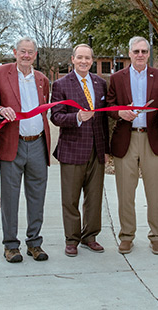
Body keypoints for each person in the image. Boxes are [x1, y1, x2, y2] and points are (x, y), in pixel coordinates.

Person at [0, 37, 51, 263]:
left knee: (37, 197)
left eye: (30, 52)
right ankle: (10, 245)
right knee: (10, 197)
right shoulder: (1, 73)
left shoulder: (42, 79)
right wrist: (1, 110)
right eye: (22, 51)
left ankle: (34, 243)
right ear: (15, 52)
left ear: (35, 55)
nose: (26, 55)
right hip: (11, 144)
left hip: (37, 144)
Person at [107, 36, 158, 255]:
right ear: (130, 53)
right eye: (136, 51)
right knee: (125, 193)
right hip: (126, 139)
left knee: (155, 193)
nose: (141, 55)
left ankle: (156, 237)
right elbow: (109, 105)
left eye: (144, 51)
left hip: (153, 139)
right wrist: (119, 113)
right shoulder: (117, 78)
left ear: (148, 54)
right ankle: (126, 236)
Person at [51, 43, 109, 257]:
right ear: (73, 59)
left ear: (92, 61)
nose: (84, 61)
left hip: (97, 149)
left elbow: (103, 120)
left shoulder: (100, 83)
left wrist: (105, 149)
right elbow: (55, 116)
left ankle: (90, 236)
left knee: (94, 198)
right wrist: (76, 117)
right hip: (72, 149)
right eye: (80, 57)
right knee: (71, 198)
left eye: (88, 58)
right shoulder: (61, 84)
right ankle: (72, 239)